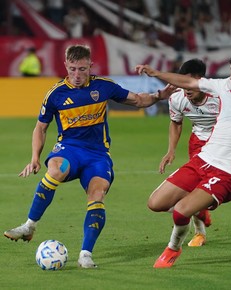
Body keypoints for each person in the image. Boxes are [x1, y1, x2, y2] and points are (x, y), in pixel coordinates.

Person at [4, 44, 174, 269]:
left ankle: (85, 254)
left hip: (97, 155)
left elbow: (138, 100)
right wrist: (35, 157)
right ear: (65, 65)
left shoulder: (103, 87)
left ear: (90, 66)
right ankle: (29, 226)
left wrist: (161, 95)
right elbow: (40, 128)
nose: (76, 75)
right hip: (69, 149)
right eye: (72, 69)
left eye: (82, 69)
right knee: (55, 170)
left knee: (97, 194)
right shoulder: (56, 94)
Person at [135, 48, 231, 268]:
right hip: (202, 160)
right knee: (155, 203)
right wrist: (156, 73)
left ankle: (172, 249)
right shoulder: (225, 86)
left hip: (228, 172)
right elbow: (187, 82)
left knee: (181, 211)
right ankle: (197, 205)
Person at [159, 58, 220, 247]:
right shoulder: (177, 98)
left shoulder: (220, 96)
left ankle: (202, 208)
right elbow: (176, 123)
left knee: (220, 187)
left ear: (201, 80)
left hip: (222, 144)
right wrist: (171, 150)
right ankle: (199, 232)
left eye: (189, 83)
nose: (186, 88)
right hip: (197, 144)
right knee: (193, 190)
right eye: (182, 83)